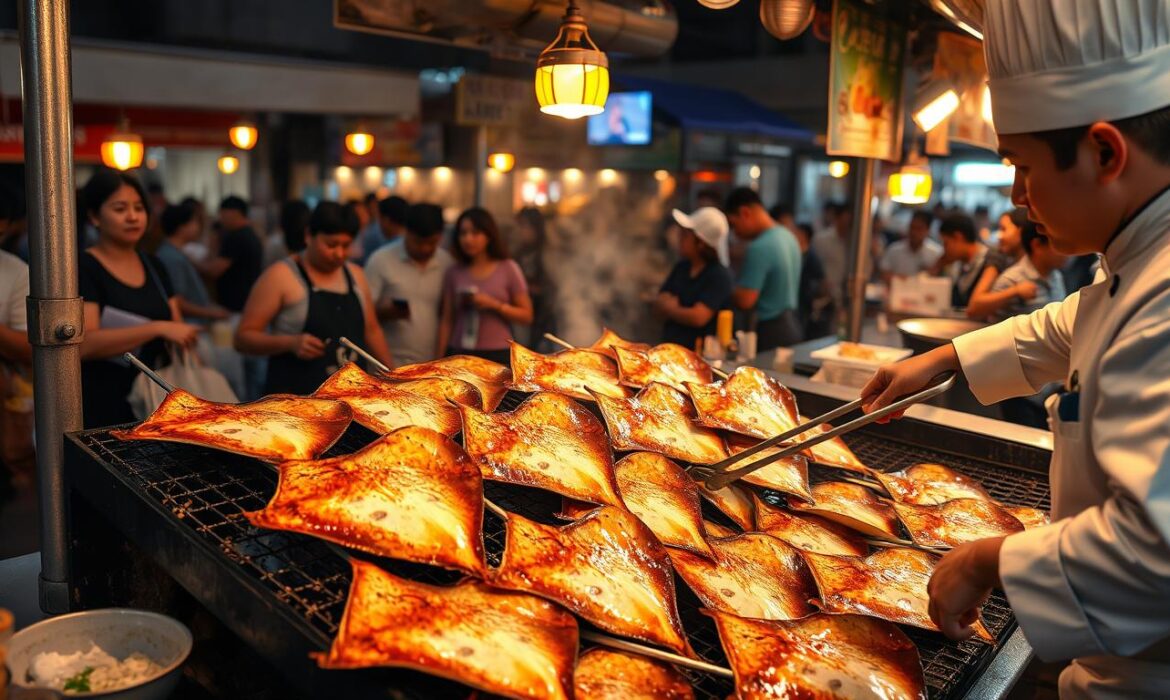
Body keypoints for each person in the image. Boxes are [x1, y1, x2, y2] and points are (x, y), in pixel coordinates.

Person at [861, 1, 1170, 695]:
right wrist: (943, 360)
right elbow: (1071, 324)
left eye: (1023, 167)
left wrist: (989, 560)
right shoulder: (1138, 259)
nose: (1016, 195)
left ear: (1104, 152)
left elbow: (1161, 557)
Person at [76, 170, 199, 428]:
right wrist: (157, 328)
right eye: (120, 208)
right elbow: (85, 343)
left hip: (159, 400)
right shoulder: (84, 267)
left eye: (139, 208)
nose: (133, 216)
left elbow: (177, 325)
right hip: (105, 402)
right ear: (94, 216)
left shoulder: (155, 265)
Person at [235, 201, 391, 395]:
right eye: (331, 245)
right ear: (309, 235)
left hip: (351, 401)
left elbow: (372, 330)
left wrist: (391, 375)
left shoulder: (356, 275)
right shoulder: (280, 276)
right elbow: (242, 338)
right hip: (295, 404)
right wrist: (290, 343)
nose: (339, 254)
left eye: (346, 245)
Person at [437, 208, 533, 364]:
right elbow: (446, 320)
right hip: (460, 352)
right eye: (463, 233)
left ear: (489, 235)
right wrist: (439, 361)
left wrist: (494, 305)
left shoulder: (507, 268)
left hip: (497, 353)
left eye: (475, 233)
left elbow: (526, 316)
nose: (468, 239)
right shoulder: (454, 272)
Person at [365, 203, 454, 367]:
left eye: (432, 243)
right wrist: (384, 311)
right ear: (406, 231)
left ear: (440, 237)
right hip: (387, 367)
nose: (425, 248)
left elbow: (448, 317)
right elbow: (363, 314)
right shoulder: (380, 260)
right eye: (418, 242)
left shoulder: (447, 263)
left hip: (431, 367)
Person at [723, 188, 803, 350]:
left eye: (733, 224)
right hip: (793, 325)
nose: (735, 233)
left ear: (745, 213)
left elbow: (746, 300)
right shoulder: (788, 236)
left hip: (771, 331)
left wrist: (724, 283)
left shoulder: (759, 247)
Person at [654, 207, 733, 350]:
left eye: (685, 235)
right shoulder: (682, 267)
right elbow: (660, 301)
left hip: (700, 357)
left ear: (701, 243)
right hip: (669, 350)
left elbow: (698, 317)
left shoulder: (719, 275)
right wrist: (677, 309)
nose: (679, 239)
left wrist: (672, 309)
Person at [156, 204, 230, 323]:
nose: (198, 228)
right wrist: (211, 312)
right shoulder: (173, 258)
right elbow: (177, 300)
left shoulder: (174, 253)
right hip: (189, 325)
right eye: (195, 222)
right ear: (182, 227)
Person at [965, 208, 1031, 320]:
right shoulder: (998, 256)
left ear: (1020, 232)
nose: (999, 236)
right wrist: (1016, 290)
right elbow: (974, 307)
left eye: (1004, 229)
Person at [512, 207, 557, 349]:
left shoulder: (548, 254)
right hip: (521, 324)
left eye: (524, 225)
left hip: (543, 323)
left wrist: (524, 288)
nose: (520, 231)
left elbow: (553, 290)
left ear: (536, 228)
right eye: (519, 225)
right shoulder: (518, 254)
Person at [928, 214, 988, 308]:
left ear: (958, 237)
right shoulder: (957, 265)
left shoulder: (988, 260)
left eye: (946, 243)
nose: (945, 250)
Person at [793, 222, 834, 340]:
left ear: (803, 235)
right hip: (799, 301)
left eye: (796, 232)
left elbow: (822, 281)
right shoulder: (799, 253)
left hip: (806, 303)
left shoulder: (811, 256)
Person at [879, 211, 943, 283]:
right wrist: (900, 279)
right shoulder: (894, 249)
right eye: (912, 227)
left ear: (927, 230)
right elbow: (884, 273)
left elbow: (940, 279)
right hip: (898, 291)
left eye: (919, 229)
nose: (914, 232)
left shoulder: (936, 253)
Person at [358, 195, 407, 266]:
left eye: (379, 218)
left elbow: (367, 265)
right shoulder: (411, 245)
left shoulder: (373, 235)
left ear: (386, 220)